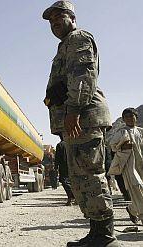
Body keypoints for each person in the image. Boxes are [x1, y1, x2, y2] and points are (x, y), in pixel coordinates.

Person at [42, 1, 119, 246]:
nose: (54, 23)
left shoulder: (78, 38)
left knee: (91, 174)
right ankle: (96, 233)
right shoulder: (64, 45)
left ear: (72, 18)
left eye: (59, 17)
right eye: (51, 20)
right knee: (81, 178)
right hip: (76, 121)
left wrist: (73, 110)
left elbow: (84, 76)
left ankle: (106, 236)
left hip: (83, 117)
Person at [109, 108, 143, 225]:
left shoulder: (140, 131)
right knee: (136, 189)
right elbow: (113, 146)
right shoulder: (121, 132)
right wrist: (122, 147)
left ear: (136, 117)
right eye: (127, 116)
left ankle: (132, 209)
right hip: (129, 166)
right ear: (123, 119)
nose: (129, 118)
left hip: (141, 165)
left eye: (131, 116)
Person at [54, 139, 75, 205]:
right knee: (72, 182)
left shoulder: (60, 145)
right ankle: (72, 198)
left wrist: (56, 167)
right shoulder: (72, 143)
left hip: (63, 166)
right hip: (73, 166)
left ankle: (71, 197)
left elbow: (57, 157)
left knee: (65, 181)